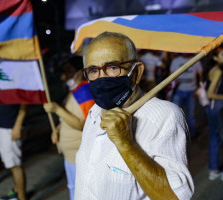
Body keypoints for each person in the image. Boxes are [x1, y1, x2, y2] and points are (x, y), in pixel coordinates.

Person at [75, 32, 193, 200]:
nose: (102, 78)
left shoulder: (165, 117)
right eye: (93, 70)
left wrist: (125, 143)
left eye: (112, 67)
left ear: (136, 72)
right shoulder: (95, 110)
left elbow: (175, 197)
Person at [43, 56, 94, 200]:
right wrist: (57, 129)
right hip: (70, 155)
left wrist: (57, 109)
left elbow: (83, 125)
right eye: (64, 71)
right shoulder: (75, 90)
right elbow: (68, 118)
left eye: (69, 70)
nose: (65, 75)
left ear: (80, 72)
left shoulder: (84, 92)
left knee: (81, 191)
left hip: (79, 155)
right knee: (73, 188)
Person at [0, 102, 27, 200]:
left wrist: (18, 124)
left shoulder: (15, 86)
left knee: (15, 165)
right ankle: (16, 191)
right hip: (2, 126)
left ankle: (22, 197)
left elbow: (25, 101)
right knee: (11, 164)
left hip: (10, 128)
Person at [203, 45, 223, 181]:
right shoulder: (218, 71)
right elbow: (210, 93)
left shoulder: (213, 69)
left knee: (214, 138)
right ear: (215, 57)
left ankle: (213, 170)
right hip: (219, 108)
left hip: (211, 108)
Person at [169, 53, 203, 138]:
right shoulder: (176, 61)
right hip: (178, 91)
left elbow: (201, 76)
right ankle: (174, 136)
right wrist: (170, 92)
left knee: (191, 116)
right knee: (174, 114)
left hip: (191, 92)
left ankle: (191, 136)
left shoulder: (196, 60)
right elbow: (170, 77)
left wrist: (198, 89)